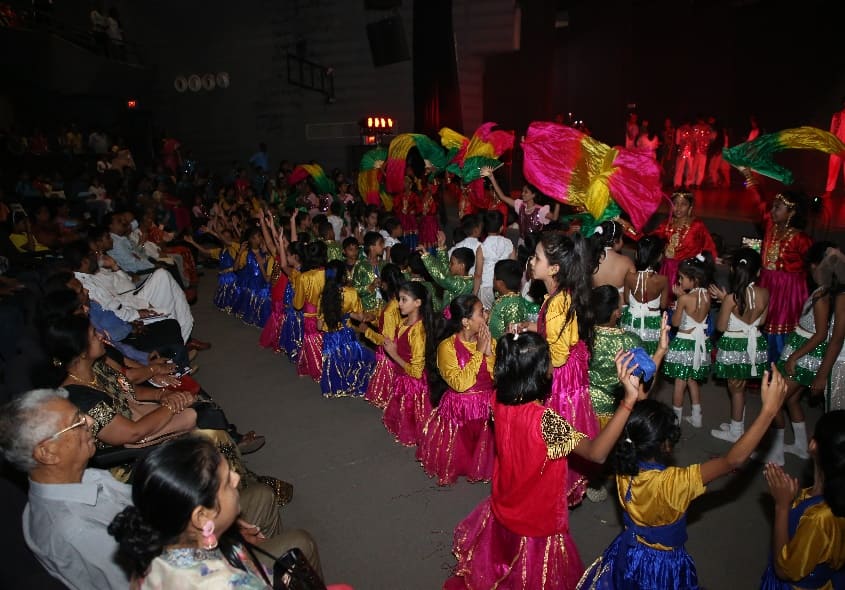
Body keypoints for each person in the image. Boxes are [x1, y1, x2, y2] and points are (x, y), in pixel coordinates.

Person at [445, 336, 646, 590]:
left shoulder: (497, 399)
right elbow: (597, 453)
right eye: (549, 359)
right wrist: (628, 401)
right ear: (541, 371)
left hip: (506, 501)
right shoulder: (546, 423)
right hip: (537, 518)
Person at [577, 365, 789, 590]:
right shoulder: (675, 483)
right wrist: (768, 412)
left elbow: (635, 421)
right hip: (662, 567)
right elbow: (731, 461)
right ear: (666, 444)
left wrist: (654, 360)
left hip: (628, 553)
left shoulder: (622, 463)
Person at [109, 436, 323, 588]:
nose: (237, 478)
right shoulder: (232, 585)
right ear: (202, 517)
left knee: (261, 494)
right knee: (301, 542)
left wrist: (230, 531)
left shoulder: (149, 544)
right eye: (227, 483)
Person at [515, 232, 597, 506]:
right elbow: (556, 334)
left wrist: (531, 368)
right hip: (569, 370)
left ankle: (552, 488)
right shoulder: (558, 296)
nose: (531, 262)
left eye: (537, 258)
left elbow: (557, 356)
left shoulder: (557, 305)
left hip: (560, 376)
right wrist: (529, 327)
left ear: (554, 268)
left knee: (554, 433)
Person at [767, 244, 839, 464]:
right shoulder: (823, 292)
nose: (812, 271)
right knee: (793, 401)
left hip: (806, 352)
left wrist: (794, 356)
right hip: (802, 345)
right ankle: (800, 445)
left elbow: (820, 334)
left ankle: (775, 452)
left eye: (814, 266)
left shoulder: (822, 296)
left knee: (774, 401)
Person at [759, 411, 845, 589]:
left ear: (813, 445)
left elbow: (784, 570)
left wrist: (782, 506)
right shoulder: (826, 502)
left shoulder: (819, 519)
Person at [417, 295, 495, 485]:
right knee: (461, 451)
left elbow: (496, 376)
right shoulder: (447, 347)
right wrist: (479, 353)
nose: (486, 315)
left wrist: (490, 352)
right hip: (461, 409)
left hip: (487, 407)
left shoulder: (489, 340)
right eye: (481, 312)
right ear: (466, 322)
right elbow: (460, 384)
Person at [709, 248, 769, 443]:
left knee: (735, 390)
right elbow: (760, 322)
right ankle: (738, 424)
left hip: (735, 345)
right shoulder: (765, 293)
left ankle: (736, 432)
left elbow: (720, 326)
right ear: (758, 272)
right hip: (754, 344)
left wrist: (724, 301)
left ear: (734, 270)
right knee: (740, 388)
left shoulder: (732, 298)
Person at [664, 253, 714, 427]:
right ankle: (697, 416)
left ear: (695, 279)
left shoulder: (685, 298)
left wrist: (679, 300)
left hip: (685, 342)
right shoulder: (707, 295)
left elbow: (676, 322)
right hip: (699, 342)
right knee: (692, 380)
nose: (679, 281)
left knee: (679, 384)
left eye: (682, 278)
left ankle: (675, 422)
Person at [381, 282, 434, 446]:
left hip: (413, 384)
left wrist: (393, 354)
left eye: (404, 300)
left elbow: (417, 371)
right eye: (399, 299)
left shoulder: (417, 331)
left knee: (413, 416)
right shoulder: (404, 322)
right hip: (403, 376)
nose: (399, 304)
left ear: (417, 303)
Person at [319, 260, 375, 397]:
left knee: (334, 361)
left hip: (330, 336)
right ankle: (351, 382)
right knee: (354, 358)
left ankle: (335, 387)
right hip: (346, 333)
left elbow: (319, 325)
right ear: (343, 276)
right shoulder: (351, 292)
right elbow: (360, 317)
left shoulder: (323, 295)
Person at [651, 191, 717, 295]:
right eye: (675, 203)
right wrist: (625, 226)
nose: (678, 207)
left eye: (683, 204)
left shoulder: (697, 226)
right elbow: (649, 240)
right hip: (666, 270)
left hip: (687, 274)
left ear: (690, 207)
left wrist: (713, 258)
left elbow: (708, 246)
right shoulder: (666, 224)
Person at [360, 263, 404, 409]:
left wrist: (367, 331)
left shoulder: (390, 308)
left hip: (390, 354)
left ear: (385, 284)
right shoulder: (402, 301)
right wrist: (374, 317)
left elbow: (386, 341)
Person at [481, 167, 559, 244]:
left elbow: (554, 218)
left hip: (535, 244)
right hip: (521, 242)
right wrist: (492, 178)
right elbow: (502, 197)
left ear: (533, 195)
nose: (522, 194)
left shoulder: (540, 210)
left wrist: (558, 201)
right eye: (522, 191)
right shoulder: (520, 205)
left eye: (526, 192)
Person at [620, 236, 669, 354]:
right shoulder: (662, 280)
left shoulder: (630, 277)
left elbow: (626, 299)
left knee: (630, 355)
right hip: (651, 324)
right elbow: (663, 305)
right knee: (652, 356)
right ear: (659, 257)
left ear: (637, 254)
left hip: (632, 321)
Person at [293, 241, 327, 381]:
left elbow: (298, 304)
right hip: (329, 313)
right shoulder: (330, 272)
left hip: (311, 315)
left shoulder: (304, 277)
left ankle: (318, 368)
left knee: (313, 342)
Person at [421, 231, 475, 312]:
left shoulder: (463, 284)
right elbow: (445, 270)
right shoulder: (459, 278)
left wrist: (427, 257)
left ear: (462, 266)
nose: (449, 265)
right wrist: (441, 247)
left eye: (452, 263)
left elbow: (443, 277)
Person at [232, 227, 274, 328]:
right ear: (251, 239)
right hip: (251, 286)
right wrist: (240, 252)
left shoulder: (264, 252)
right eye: (257, 237)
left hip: (263, 284)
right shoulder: (246, 253)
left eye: (260, 236)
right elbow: (235, 268)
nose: (260, 239)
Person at [487, 259, 538, 341]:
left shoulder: (513, 305)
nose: (493, 279)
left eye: (494, 277)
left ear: (500, 283)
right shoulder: (505, 297)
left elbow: (513, 338)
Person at [474, 209, 515, 310]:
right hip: (504, 287)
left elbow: (478, 274)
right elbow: (513, 268)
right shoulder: (509, 244)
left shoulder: (482, 247)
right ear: (501, 227)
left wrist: (474, 294)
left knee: (486, 316)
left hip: (486, 287)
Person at [590, 220, 635, 293]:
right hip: (620, 304)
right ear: (615, 240)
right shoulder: (627, 262)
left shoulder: (589, 259)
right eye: (621, 238)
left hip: (594, 303)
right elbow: (634, 289)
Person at [351, 231, 385, 315]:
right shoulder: (361, 266)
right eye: (380, 244)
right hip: (367, 310)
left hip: (384, 308)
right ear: (371, 247)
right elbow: (354, 289)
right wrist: (371, 286)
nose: (383, 246)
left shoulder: (383, 264)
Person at [824, 97, 845, 196]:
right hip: (837, 145)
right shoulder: (837, 116)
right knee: (833, 168)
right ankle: (829, 191)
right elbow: (832, 131)